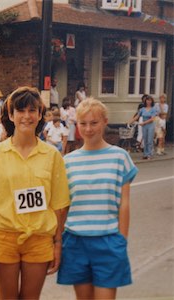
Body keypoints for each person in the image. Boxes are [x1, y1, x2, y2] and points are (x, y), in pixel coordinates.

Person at [0, 86, 70, 299]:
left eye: (32, 110)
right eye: (20, 111)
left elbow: (59, 204)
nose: (26, 116)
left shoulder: (52, 155)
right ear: (10, 115)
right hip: (4, 237)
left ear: (40, 114)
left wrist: (57, 243)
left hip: (39, 238)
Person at [58, 98, 138, 300]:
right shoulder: (68, 161)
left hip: (108, 240)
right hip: (76, 241)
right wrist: (58, 240)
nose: (88, 128)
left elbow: (124, 203)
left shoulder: (120, 157)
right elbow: (63, 207)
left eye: (94, 123)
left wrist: (122, 239)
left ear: (104, 122)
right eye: (83, 123)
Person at [128, 95, 157, 159]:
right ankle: (145, 154)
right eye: (147, 100)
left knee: (149, 140)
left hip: (150, 125)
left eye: (150, 100)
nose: (148, 101)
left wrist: (144, 123)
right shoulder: (142, 109)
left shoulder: (153, 109)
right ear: (145, 101)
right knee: (145, 140)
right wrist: (130, 122)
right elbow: (137, 116)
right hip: (144, 126)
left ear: (152, 101)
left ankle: (149, 154)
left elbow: (152, 119)